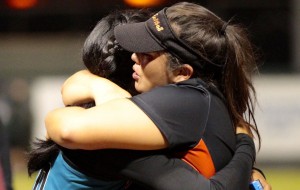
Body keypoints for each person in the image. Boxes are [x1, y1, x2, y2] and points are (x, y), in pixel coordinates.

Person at [44, 3, 271, 189]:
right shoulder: (205, 99)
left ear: (182, 73)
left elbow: (66, 128)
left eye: (147, 53)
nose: (135, 56)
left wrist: (245, 146)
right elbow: (75, 86)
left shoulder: (186, 101)